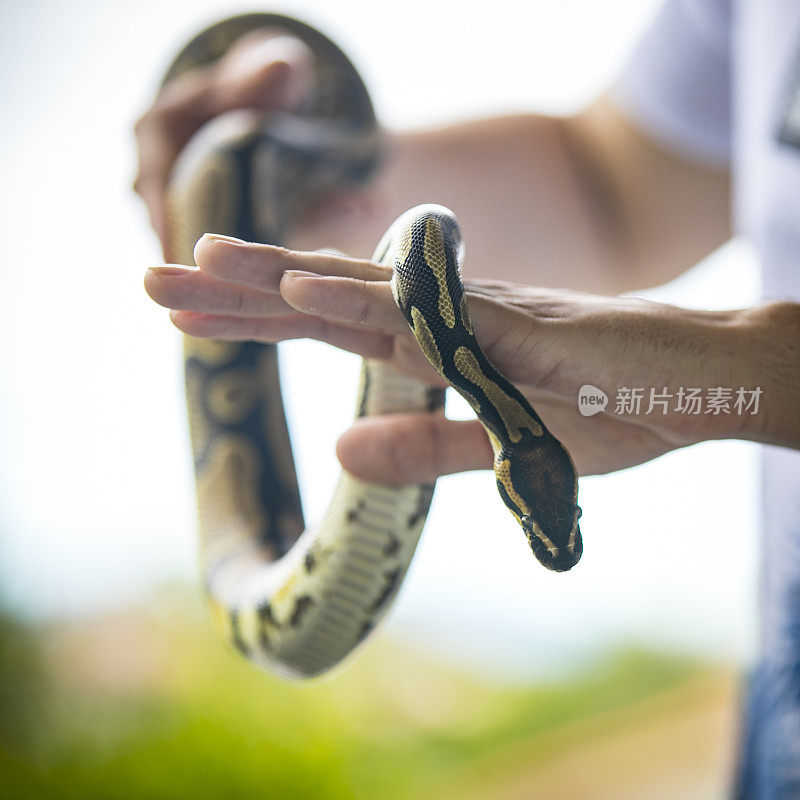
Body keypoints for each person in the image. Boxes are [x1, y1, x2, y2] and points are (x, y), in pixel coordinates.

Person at [137, 2, 800, 795]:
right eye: (551, 515)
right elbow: (609, 190)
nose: (553, 533)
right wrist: (304, 173)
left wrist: (746, 372)